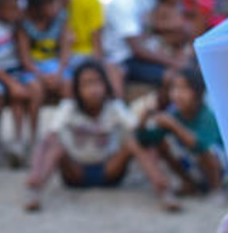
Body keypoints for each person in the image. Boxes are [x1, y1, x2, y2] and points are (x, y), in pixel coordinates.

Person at [22, 60, 176, 213]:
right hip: (75, 172)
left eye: (97, 83)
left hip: (110, 170)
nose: (93, 89)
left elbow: (137, 131)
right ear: (77, 89)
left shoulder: (114, 107)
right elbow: (49, 138)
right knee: (52, 142)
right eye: (86, 84)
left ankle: (164, 190)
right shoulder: (68, 108)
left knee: (137, 141)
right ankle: (34, 189)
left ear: (105, 85)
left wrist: (145, 118)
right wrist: (35, 173)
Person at [135, 65, 224, 197]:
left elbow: (200, 145)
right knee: (161, 143)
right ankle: (189, 184)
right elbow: (145, 140)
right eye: (174, 88)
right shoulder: (174, 114)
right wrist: (142, 122)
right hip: (194, 167)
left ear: (198, 93)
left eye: (184, 89)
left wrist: (173, 125)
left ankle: (216, 189)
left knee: (207, 151)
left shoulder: (206, 115)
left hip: (220, 170)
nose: (177, 94)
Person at [105, 0, 175, 87]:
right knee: (174, 76)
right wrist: (174, 62)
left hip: (149, 49)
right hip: (125, 59)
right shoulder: (122, 0)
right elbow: (137, 50)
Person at [0, 0, 37, 165]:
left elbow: (23, 55)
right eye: (9, 9)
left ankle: (19, 141)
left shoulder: (18, 25)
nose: (14, 13)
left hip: (15, 71)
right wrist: (12, 84)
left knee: (19, 97)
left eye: (16, 8)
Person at [14, 0, 74, 104]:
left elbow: (65, 51)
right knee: (35, 89)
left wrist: (58, 73)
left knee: (69, 85)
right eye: (49, 4)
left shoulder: (61, 18)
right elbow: (25, 59)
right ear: (37, 7)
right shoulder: (24, 24)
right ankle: (33, 125)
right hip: (33, 70)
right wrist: (42, 77)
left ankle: (63, 122)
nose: (54, 7)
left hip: (56, 67)